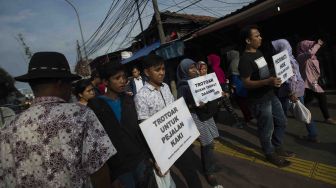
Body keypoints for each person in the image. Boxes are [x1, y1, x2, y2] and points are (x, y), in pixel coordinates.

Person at [0, 52, 116, 187]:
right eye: (70, 84)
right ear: (60, 84)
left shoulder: (6, 131)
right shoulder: (80, 115)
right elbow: (99, 170)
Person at [238, 25, 293, 167]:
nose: (260, 38)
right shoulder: (244, 60)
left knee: (282, 121)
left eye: (259, 35)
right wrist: (267, 81)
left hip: (270, 95)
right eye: (256, 36)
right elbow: (246, 83)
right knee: (266, 129)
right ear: (248, 41)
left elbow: (264, 72)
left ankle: (277, 146)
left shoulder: (259, 53)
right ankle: (269, 153)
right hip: (259, 100)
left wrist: (275, 76)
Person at [87, 62, 148, 188]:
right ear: (106, 81)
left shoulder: (129, 100)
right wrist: (111, 176)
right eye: (117, 78)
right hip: (118, 168)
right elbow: (95, 143)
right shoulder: (95, 106)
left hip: (139, 160)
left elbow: (139, 130)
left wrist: (149, 157)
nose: (122, 81)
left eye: (124, 77)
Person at [177, 58, 223, 187]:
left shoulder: (199, 81)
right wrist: (194, 104)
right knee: (207, 143)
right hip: (196, 117)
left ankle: (210, 165)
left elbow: (208, 92)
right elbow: (182, 105)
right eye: (191, 68)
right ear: (185, 71)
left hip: (206, 114)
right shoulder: (183, 86)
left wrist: (218, 93)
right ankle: (209, 172)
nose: (195, 70)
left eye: (194, 67)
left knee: (211, 141)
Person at [134, 54, 176, 188]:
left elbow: (175, 111)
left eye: (163, 69)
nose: (162, 72)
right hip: (159, 148)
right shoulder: (141, 96)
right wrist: (155, 157)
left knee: (188, 170)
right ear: (147, 72)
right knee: (165, 181)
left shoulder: (166, 87)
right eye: (157, 70)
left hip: (175, 140)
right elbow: (146, 129)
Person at [272, 39, 319, 143]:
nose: (274, 50)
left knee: (281, 115)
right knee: (302, 110)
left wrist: (292, 92)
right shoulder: (291, 57)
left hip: (288, 92)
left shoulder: (285, 59)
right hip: (297, 90)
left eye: (276, 48)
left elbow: (292, 77)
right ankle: (313, 134)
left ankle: (276, 140)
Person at [296, 39, 336, 125]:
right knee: (322, 96)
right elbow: (310, 52)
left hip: (313, 81)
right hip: (310, 82)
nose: (311, 47)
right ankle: (327, 118)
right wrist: (318, 44)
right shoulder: (301, 56)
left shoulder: (312, 56)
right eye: (309, 46)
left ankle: (299, 112)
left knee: (308, 99)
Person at [207, 54, 245, 128]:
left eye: (209, 59)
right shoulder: (218, 68)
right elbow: (224, 79)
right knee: (220, 107)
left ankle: (238, 122)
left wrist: (223, 91)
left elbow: (216, 82)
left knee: (226, 106)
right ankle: (214, 123)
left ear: (213, 60)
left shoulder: (213, 69)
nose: (208, 61)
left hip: (220, 91)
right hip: (223, 89)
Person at [226, 50, 252, 123]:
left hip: (238, 85)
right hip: (245, 83)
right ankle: (249, 115)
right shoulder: (241, 60)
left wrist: (233, 87)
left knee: (241, 102)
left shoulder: (233, 63)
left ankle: (247, 117)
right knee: (246, 101)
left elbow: (234, 77)